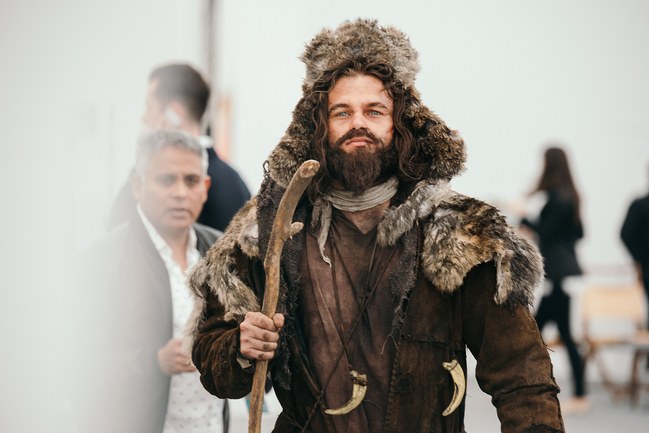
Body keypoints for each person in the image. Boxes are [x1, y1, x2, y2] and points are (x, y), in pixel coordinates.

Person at [185, 19, 565, 433]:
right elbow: (215, 364)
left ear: (400, 122)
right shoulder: (269, 229)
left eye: (374, 111)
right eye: (341, 112)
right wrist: (240, 345)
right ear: (319, 125)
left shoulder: (456, 233)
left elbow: (520, 375)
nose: (357, 124)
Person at [75, 130, 228, 433]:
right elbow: (76, 367)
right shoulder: (102, 261)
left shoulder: (221, 251)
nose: (181, 193)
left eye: (191, 180)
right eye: (166, 180)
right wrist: (155, 362)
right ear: (137, 184)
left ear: (206, 187)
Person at [108, 63, 251, 232]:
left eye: (149, 108)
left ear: (174, 114)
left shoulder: (149, 177)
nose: (144, 118)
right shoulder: (235, 182)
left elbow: (116, 240)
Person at [520, 146, 589, 414]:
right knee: (537, 333)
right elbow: (579, 233)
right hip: (562, 275)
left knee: (537, 335)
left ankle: (578, 394)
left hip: (558, 275)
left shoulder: (558, 199)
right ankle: (534, 386)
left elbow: (545, 232)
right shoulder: (569, 196)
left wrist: (523, 214)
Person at [620, 161, 649, 328]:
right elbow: (626, 234)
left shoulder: (641, 204)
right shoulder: (641, 205)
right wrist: (641, 259)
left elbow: (626, 234)